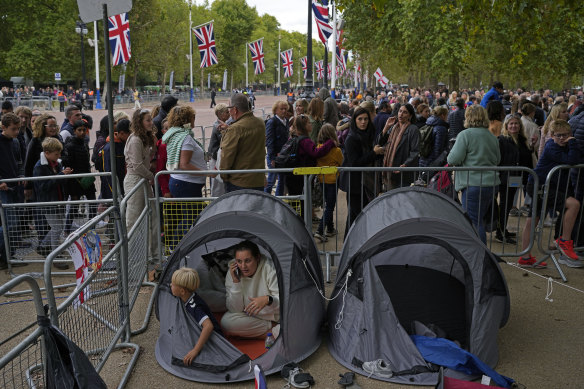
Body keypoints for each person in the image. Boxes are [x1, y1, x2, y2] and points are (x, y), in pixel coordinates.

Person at [519, 120, 582, 268]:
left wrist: (571, 144)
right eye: (558, 135)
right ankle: (564, 241)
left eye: (565, 135)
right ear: (552, 135)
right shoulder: (551, 147)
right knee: (573, 205)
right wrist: (572, 143)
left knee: (533, 219)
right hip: (539, 186)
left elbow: (577, 157)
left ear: (570, 135)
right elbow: (571, 160)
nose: (562, 138)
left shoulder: (564, 146)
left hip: (547, 187)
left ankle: (525, 257)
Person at [447, 105, 501, 244]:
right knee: (479, 220)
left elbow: (453, 159)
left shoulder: (465, 135)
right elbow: (497, 159)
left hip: (473, 184)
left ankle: (480, 256)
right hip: (490, 184)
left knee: (473, 222)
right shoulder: (492, 136)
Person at [162, 106, 209, 246]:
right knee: (190, 218)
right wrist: (207, 173)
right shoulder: (186, 138)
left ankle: (177, 246)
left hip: (183, 184)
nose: (194, 120)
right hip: (187, 184)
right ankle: (175, 246)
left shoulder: (177, 135)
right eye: (193, 117)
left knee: (191, 216)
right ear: (187, 119)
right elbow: (184, 164)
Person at [221, 240, 280, 339]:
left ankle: (270, 332)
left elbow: (285, 303)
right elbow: (235, 309)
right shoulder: (232, 272)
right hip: (253, 318)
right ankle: (273, 332)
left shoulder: (269, 268)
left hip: (275, 317)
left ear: (257, 258)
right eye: (239, 261)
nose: (243, 266)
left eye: (248, 261)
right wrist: (236, 282)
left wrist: (268, 300)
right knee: (226, 322)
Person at [339, 107, 385, 234]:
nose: (363, 122)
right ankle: (350, 247)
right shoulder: (352, 138)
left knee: (356, 217)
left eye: (365, 119)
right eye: (360, 119)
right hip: (355, 184)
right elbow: (355, 163)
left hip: (365, 183)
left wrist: (377, 152)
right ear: (355, 120)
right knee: (357, 217)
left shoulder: (368, 134)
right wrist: (373, 153)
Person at [124, 109, 159, 259]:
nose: (151, 123)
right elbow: (137, 165)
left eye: (151, 120)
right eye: (148, 120)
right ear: (140, 122)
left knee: (152, 216)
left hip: (142, 179)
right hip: (135, 180)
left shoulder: (144, 138)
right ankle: (134, 255)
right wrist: (152, 176)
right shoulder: (135, 140)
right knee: (134, 219)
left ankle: (152, 254)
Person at [170, 267, 223, 365]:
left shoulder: (194, 306)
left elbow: (208, 326)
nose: (170, 285)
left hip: (215, 338)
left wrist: (195, 350)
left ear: (182, 291)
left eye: (173, 284)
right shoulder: (187, 296)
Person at [33, 138, 73, 267]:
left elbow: (57, 181)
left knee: (58, 226)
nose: (59, 156)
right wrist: (60, 176)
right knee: (56, 228)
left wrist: (63, 176)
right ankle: (55, 255)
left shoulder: (57, 163)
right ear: (47, 152)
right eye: (56, 154)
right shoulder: (40, 167)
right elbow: (42, 186)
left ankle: (44, 247)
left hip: (58, 200)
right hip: (48, 202)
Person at [496, 114, 532, 244]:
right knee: (505, 204)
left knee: (508, 203)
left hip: (517, 177)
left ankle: (502, 229)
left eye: (516, 123)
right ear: (506, 126)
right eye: (511, 124)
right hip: (505, 177)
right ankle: (500, 233)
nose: (513, 126)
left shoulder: (522, 140)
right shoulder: (502, 140)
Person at [219, 94, 265, 192]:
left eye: (229, 108)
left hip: (239, 182)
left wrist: (224, 176)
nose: (229, 112)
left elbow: (227, 156)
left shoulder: (235, 129)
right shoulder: (260, 123)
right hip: (258, 180)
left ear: (235, 110)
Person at [378, 103, 420, 189]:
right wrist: (386, 127)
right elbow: (380, 142)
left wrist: (405, 165)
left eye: (405, 112)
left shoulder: (413, 129)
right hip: (390, 171)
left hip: (404, 173)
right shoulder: (394, 128)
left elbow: (415, 151)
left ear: (410, 116)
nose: (401, 114)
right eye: (400, 111)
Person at [313, 124, 343, 242]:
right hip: (333, 180)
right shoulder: (336, 150)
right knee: (330, 206)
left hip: (321, 179)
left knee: (327, 204)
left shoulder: (318, 148)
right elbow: (341, 162)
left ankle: (330, 228)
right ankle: (320, 230)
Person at [101, 119, 131, 199]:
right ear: (121, 133)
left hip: (123, 186)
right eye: (129, 134)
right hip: (115, 191)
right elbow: (108, 172)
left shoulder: (123, 144)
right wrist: (116, 192)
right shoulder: (110, 148)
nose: (131, 137)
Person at [264, 100, 289, 196]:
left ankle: (278, 200)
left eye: (285, 109)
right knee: (271, 180)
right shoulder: (272, 122)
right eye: (281, 109)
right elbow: (269, 141)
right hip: (274, 156)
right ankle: (266, 200)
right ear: (276, 110)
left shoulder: (285, 121)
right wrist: (272, 158)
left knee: (282, 180)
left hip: (283, 156)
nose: (284, 111)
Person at [207, 104, 230, 197]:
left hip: (217, 158)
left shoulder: (222, 124)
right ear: (220, 114)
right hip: (215, 158)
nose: (229, 114)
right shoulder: (218, 126)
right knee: (217, 186)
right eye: (226, 112)